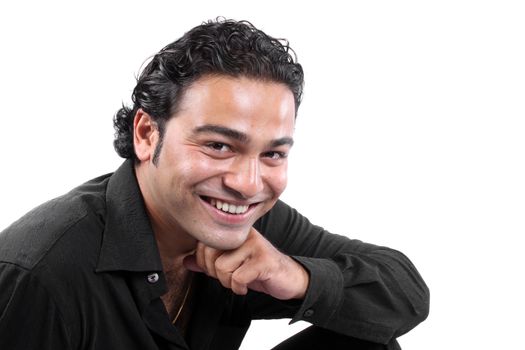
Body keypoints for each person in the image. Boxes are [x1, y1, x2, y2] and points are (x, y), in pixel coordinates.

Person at [0, 19, 429, 350]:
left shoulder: (251, 224)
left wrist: (293, 276)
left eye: (273, 154)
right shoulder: (40, 276)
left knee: (365, 339)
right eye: (220, 146)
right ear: (148, 134)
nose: (247, 184)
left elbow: (406, 293)